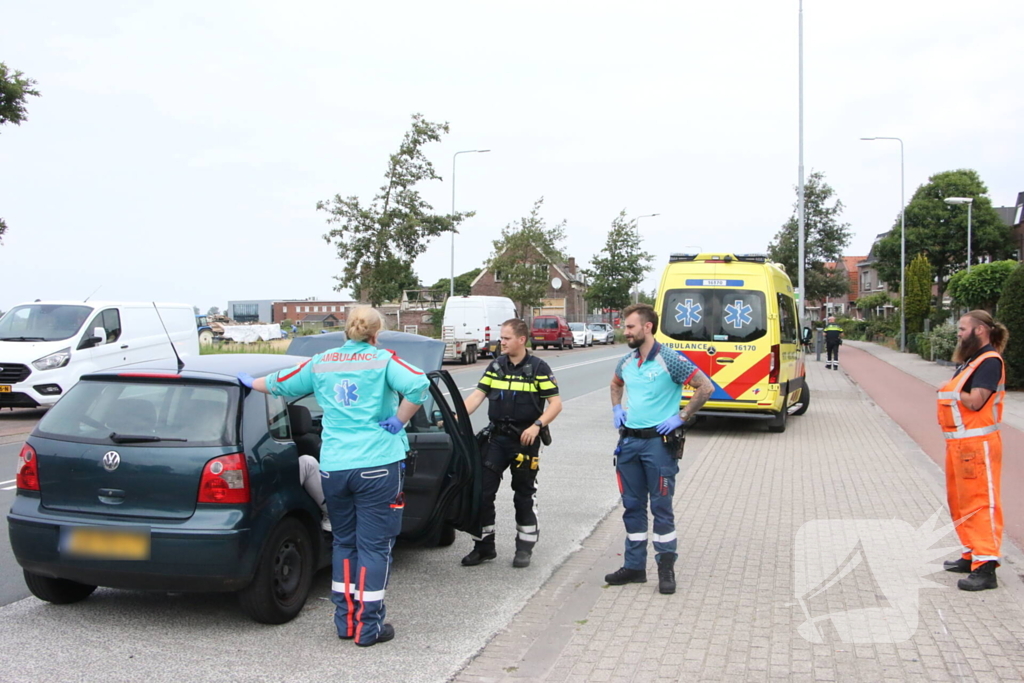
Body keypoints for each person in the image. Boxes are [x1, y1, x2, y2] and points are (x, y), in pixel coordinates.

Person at [237, 306, 430, 645]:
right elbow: (418, 385)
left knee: (344, 543)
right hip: (376, 464)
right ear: (375, 333)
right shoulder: (382, 360)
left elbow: (278, 384)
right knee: (374, 547)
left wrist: (245, 382)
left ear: (345, 331)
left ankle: (345, 621)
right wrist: (399, 420)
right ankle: (368, 626)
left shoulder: (322, 362)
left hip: (335, 466)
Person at [605, 303, 713, 594]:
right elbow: (615, 384)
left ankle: (666, 570)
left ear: (647, 327)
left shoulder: (670, 360)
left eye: (630, 327)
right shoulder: (627, 362)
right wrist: (617, 408)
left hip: (658, 445)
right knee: (632, 507)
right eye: (625, 327)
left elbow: (705, 388)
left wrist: (680, 416)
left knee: (661, 508)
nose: (625, 331)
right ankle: (634, 567)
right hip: (629, 444)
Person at [459, 319, 563, 569]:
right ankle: (484, 547)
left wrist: (536, 426)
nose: (501, 342)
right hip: (496, 440)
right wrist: (455, 417)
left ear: (521, 340)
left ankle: (524, 548)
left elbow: (556, 404)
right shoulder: (495, 366)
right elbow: (477, 396)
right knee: (482, 492)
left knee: (523, 495)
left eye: (506, 338)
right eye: (501, 337)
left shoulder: (539, 367)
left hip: (525, 442)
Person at [939, 310, 1009, 591]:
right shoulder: (972, 360)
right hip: (960, 444)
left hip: (977, 445)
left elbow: (977, 401)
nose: (958, 333)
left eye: (962, 328)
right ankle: (971, 553)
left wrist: (950, 391)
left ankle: (986, 566)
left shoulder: (989, 362)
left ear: (979, 331)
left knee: (981, 503)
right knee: (961, 502)